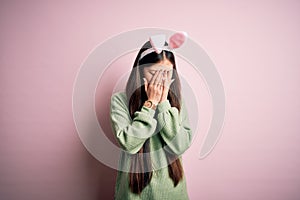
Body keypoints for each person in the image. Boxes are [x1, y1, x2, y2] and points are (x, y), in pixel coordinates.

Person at [110, 32, 193, 200]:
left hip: (171, 190)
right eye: (154, 74)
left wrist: (163, 106)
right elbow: (129, 143)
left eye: (166, 73)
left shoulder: (178, 102)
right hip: (134, 192)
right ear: (140, 72)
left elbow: (180, 146)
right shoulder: (120, 100)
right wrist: (150, 105)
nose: (160, 81)